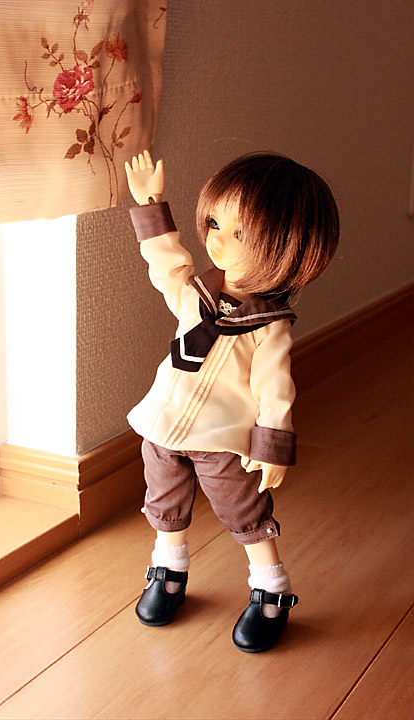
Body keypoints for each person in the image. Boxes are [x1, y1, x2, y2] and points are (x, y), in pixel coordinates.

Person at [124, 149, 339, 652]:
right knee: (164, 502)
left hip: (222, 441)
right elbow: (166, 263)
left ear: (286, 250)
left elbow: (275, 389)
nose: (216, 239)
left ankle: (271, 590)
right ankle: (168, 571)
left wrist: (271, 447)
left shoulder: (268, 327)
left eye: (239, 233)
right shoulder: (195, 294)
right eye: (215, 223)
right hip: (163, 424)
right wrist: (151, 205)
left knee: (246, 514)